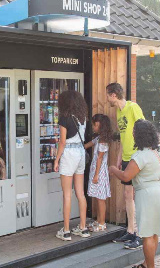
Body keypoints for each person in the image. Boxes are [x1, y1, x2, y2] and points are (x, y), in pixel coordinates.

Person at [109, 119, 160, 268]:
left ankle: (150, 267)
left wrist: (113, 169)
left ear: (138, 137)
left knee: (147, 234)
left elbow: (126, 176)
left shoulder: (140, 156)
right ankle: (146, 264)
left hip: (147, 196)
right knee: (155, 231)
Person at [106, 83, 145, 248]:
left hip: (138, 158)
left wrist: (143, 154)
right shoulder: (118, 111)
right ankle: (131, 231)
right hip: (127, 159)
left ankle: (142, 234)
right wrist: (118, 160)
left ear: (114, 95)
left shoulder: (132, 107)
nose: (107, 98)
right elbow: (123, 138)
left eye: (108, 95)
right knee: (128, 196)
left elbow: (145, 130)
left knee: (141, 196)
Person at [54, 90, 90, 241]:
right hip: (80, 152)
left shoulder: (64, 118)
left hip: (69, 154)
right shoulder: (82, 117)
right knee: (80, 193)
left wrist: (56, 160)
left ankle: (66, 230)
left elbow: (62, 142)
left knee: (67, 193)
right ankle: (83, 227)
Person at [84, 114, 113, 232]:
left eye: (95, 125)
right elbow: (88, 144)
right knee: (98, 196)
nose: (94, 127)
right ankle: (99, 220)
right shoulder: (99, 138)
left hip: (99, 172)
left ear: (101, 126)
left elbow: (100, 159)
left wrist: (96, 175)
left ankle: (102, 223)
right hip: (96, 170)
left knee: (101, 198)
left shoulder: (103, 142)